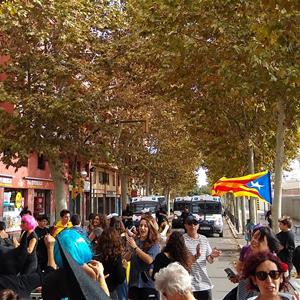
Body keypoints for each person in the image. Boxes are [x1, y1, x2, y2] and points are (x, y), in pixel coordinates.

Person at [225, 224, 282, 300]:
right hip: (245, 291)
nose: (254, 241)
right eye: (254, 237)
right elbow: (241, 271)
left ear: (268, 243)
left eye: (260, 239)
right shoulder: (248, 252)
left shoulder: (272, 261)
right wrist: (239, 277)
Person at [183, 214, 221, 300]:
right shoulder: (182, 240)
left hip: (204, 284)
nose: (193, 226)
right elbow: (182, 262)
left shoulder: (203, 239)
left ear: (198, 225)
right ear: (185, 225)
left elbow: (210, 260)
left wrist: (212, 256)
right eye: (189, 223)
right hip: (188, 285)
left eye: (195, 223)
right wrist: (196, 256)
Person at [126, 214, 160, 300]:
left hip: (148, 286)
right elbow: (126, 258)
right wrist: (130, 249)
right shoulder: (136, 241)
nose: (142, 228)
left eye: (145, 226)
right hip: (134, 285)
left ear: (150, 229)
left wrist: (135, 248)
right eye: (141, 225)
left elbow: (149, 260)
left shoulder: (154, 244)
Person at [94, 227, 126, 299]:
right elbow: (120, 278)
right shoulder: (115, 255)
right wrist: (124, 267)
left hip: (96, 289)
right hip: (110, 291)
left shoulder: (97, 253)